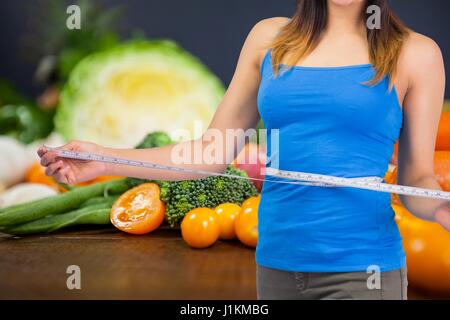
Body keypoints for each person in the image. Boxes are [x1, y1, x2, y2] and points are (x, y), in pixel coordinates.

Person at [38, 0, 449, 300]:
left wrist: (441, 208)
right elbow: (209, 154)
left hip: (364, 271)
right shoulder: (269, 40)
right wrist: (104, 160)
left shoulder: (415, 54)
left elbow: (416, 182)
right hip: (277, 267)